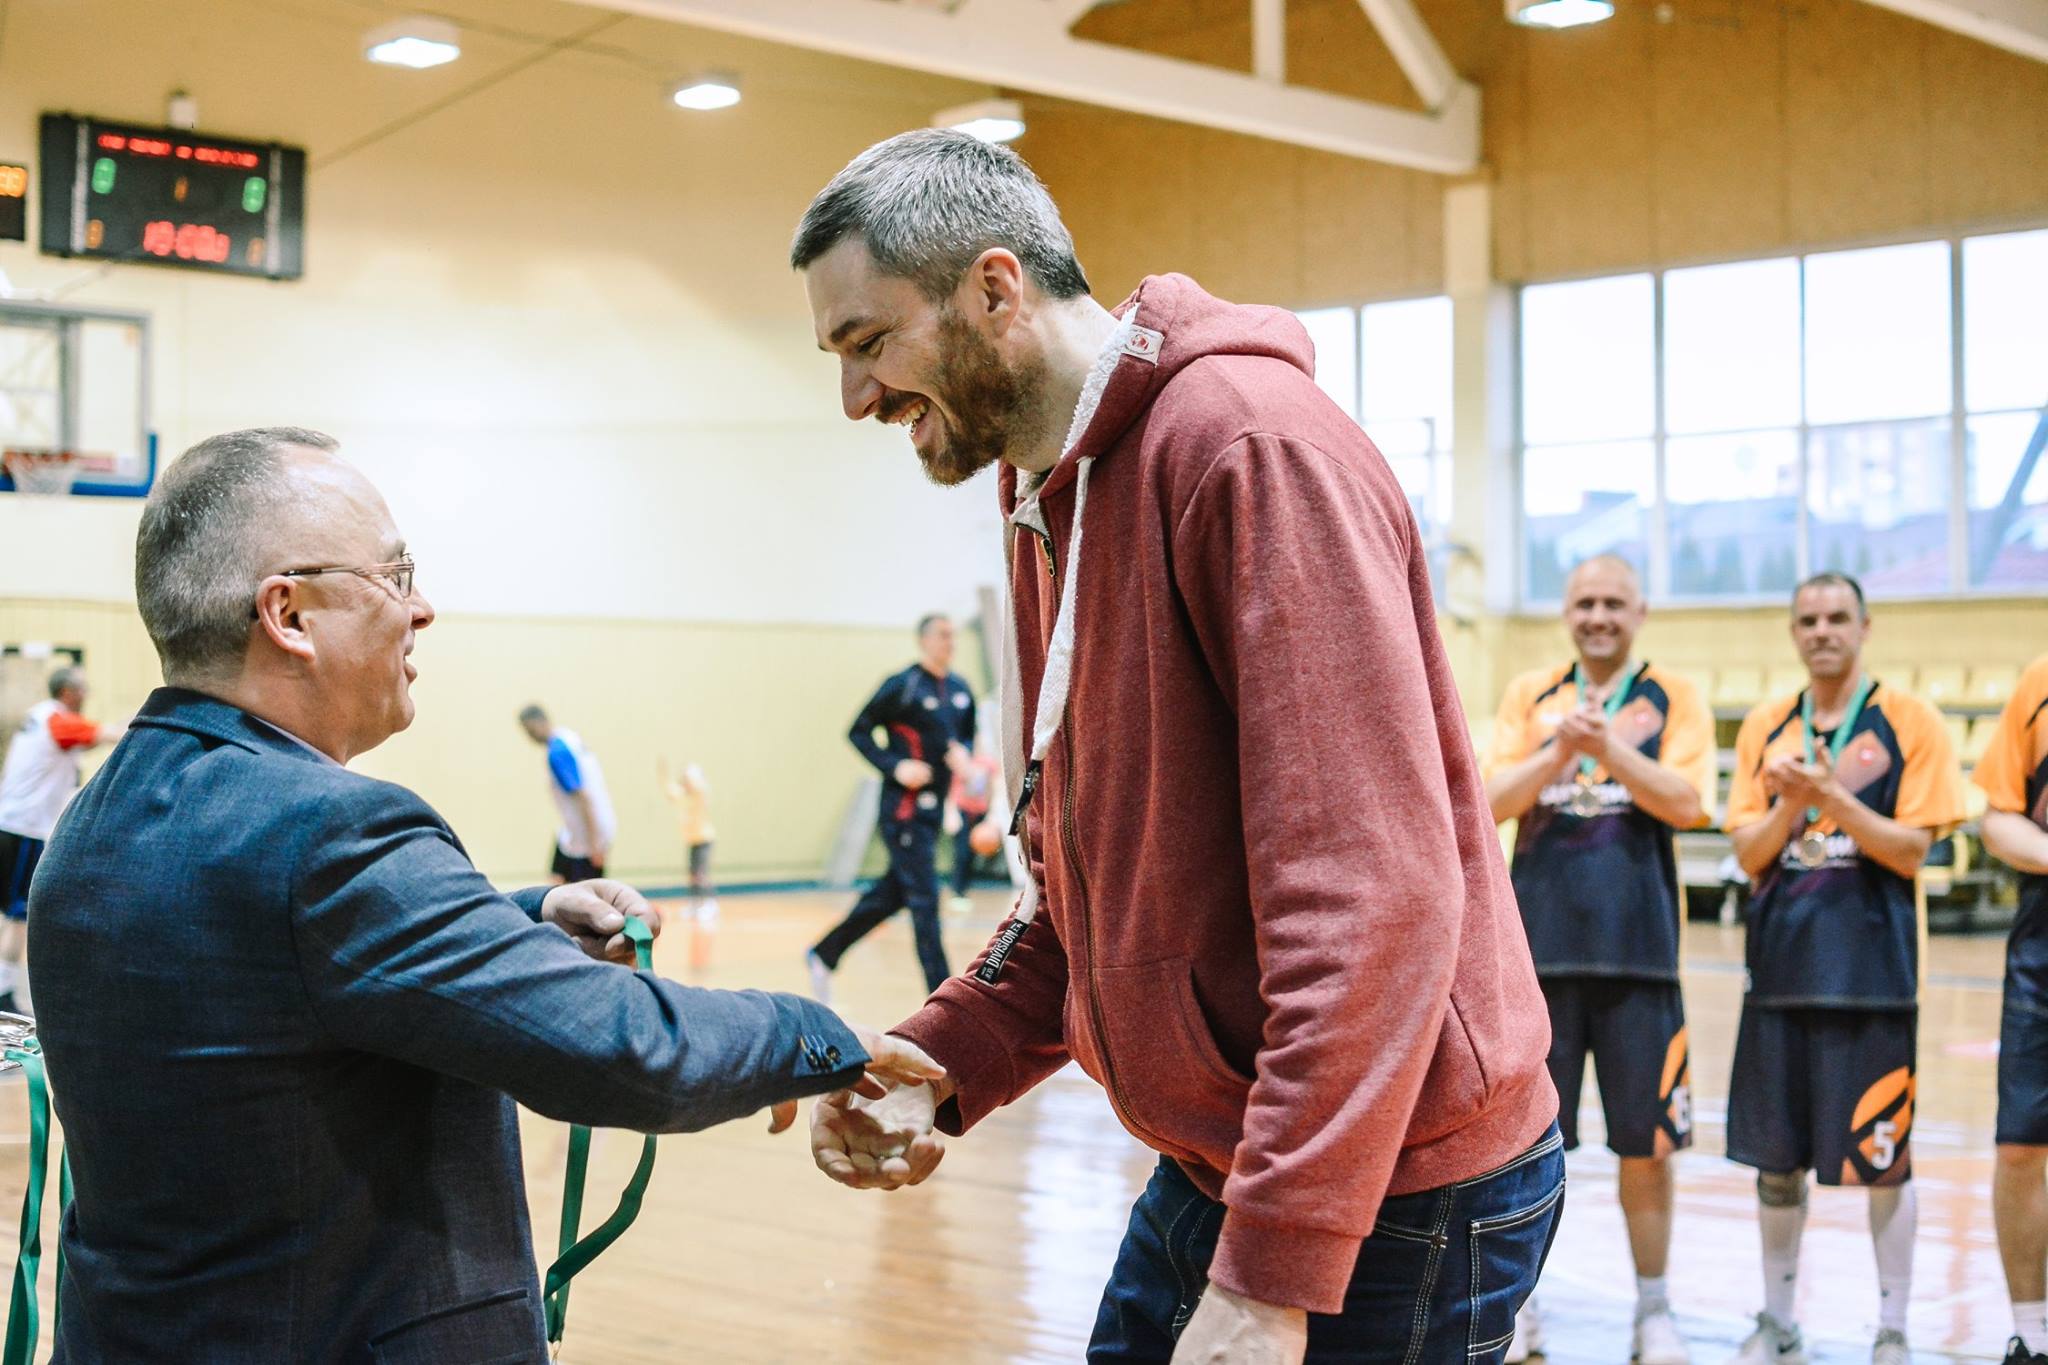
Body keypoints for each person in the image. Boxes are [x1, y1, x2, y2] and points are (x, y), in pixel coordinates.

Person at [791, 130, 1561, 1365]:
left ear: (993, 289)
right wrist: (947, 1055)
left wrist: (1270, 1278)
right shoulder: (1043, 491)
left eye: (866, 342)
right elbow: (1101, 879)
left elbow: (1372, 902)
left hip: (1391, 1188)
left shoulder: (1249, 449)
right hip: (1228, 1155)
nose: (855, 398)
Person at [28, 428, 940, 1361]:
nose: (421, 608)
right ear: (288, 614)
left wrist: (523, 918)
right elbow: (629, 1049)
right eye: (394, 574)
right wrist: (811, 1034)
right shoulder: (330, 833)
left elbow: (268, 974)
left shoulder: (93, 823)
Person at [1720, 573, 1964, 1365]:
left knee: (1883, 1162)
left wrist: (1830, 794)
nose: (1822, 630)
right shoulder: (1767, 724)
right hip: (1779, 977)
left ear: (1865, 626)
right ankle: (1777, 1319)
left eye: (1836, 618)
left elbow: (1912, 849)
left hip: (1874, 978)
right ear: (1794, 632)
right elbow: (1750, 852)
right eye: (1808, 619)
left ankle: (1892, 1328)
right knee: (1776, 1162)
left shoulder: (1910, 720)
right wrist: (1793, 804)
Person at [1483, 555, 1714, 1365]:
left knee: (1647, 1147)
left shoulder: (1673, 697)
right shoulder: (1531, 695)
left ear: (1640, 612)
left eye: (1614, 602)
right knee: (1523, 1144)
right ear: (1566, 612)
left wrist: (1605, 746)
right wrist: (1559, 752)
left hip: (1640, 959)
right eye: (1585, 602)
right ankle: (1521, 1305)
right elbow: (1486, 804)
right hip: (1535, 962)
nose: (1599, 615)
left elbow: (1688, 802)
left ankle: (1654, 1310)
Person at [806, 613, 976, 1002]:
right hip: (903, 811)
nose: (950, 641)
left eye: (953, 635)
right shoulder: (903, 685)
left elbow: (966, 737)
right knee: (925, 900)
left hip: (934, 812)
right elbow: (858, 730)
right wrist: (896, 766)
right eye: (943, 635)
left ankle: (824, 953)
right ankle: (946, 1000)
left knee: (894, 893)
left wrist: (963, 755)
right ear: (924, 640)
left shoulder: (960, 690)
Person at [1973, 655, 2048, 1365]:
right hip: (2042, 950)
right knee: (2021, 1143)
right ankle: (2033, 1331)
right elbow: (1997, 820)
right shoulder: (2040, 681)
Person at [0, 664, 124, 1015]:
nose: (86, 695)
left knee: (12, 913)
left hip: (11, 822)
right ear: (69, 692)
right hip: (25, 827)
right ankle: (4, 992)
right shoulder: (60, 721)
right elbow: (108, 735)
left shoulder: (39, 717)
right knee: (18, 915)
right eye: (83, 689)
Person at [518, 703, 615, 884]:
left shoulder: (557, 753)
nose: (530, 736)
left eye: (531, 731)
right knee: (557, 878)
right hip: (582, 829)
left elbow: (583, 797)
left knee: (583, 891)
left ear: (540, 721)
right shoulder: (568, 737)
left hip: (587, 833)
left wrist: (595, 843)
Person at [659, 755, 720, 971]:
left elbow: (696, 784)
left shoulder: (700, 793)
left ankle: (709, 904)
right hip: (692, 840)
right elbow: (670, 791)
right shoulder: (684, 796)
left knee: (701, 874)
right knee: (692, 874)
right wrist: (664, 775)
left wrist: (689, 774)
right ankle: (695, 904)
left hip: (704, 839)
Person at [946, 729, 1000, 914]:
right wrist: (951, 812)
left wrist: (991, 815)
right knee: (961, 852)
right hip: (962, 811)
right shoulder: (962, 762)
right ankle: (957, 892)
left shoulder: (989, 764)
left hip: (980, 813)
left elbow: (992, 789)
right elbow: (952, 789)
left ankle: (964, 890)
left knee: (972, 853)